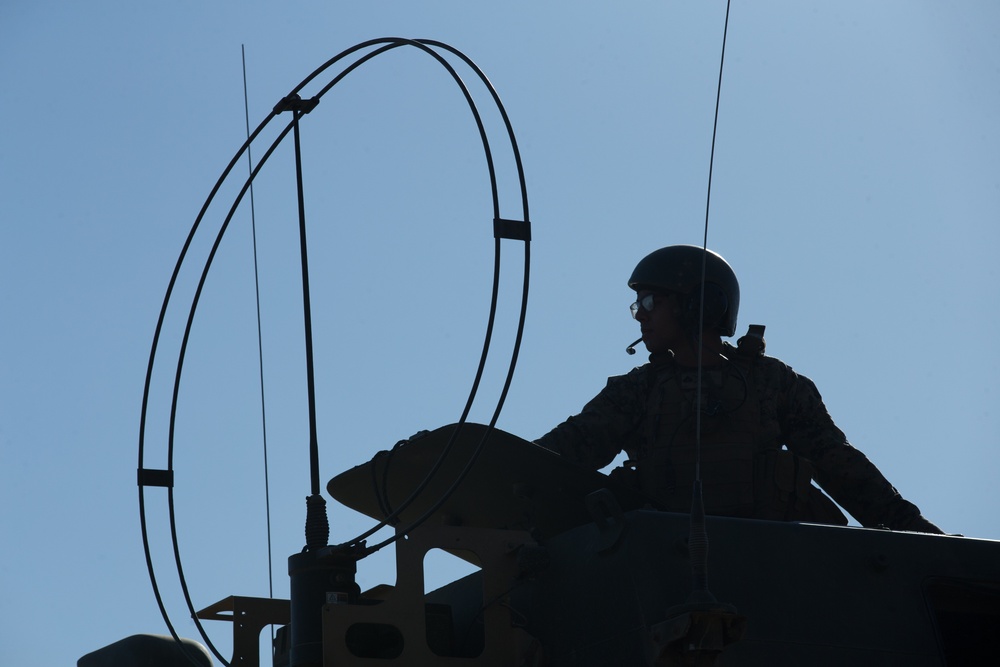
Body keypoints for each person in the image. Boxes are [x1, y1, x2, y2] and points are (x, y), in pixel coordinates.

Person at [536, 245, 942, 533]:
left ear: (696, 305)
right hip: (667, 565)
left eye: (647, 302)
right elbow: (561, 454)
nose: (638, 316)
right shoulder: (636, 391)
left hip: (775, 566)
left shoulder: (774, 383)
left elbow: (840, 466)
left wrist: (919, 533)